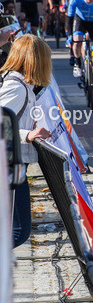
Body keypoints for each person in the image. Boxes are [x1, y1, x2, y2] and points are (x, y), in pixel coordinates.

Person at [0, 36, 52, 248]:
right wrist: (27, 135)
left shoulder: (20, 85)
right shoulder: (16, 88)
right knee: (19, 231)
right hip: (9, 166)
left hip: (12, 164)